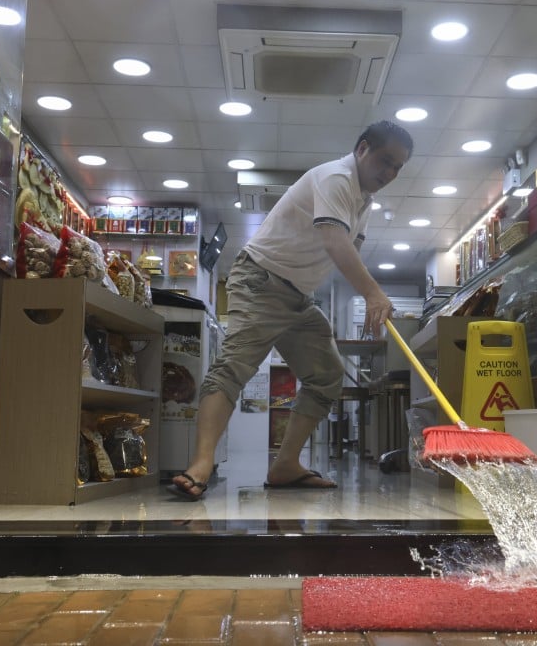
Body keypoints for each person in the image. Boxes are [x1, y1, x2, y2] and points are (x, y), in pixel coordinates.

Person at [166, 121, 414, 500]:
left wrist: (368, 299)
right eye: (386, 161)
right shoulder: (337, 178)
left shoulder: (364, 201)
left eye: (399, 167)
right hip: (260, 281)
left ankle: (285, 465)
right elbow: (334, 240)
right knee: (233, 368)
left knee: (328, 376)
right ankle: (200, 464)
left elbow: (350, 252)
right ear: (362, 149)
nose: (391, 173)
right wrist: (374, 293)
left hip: (298, 297)